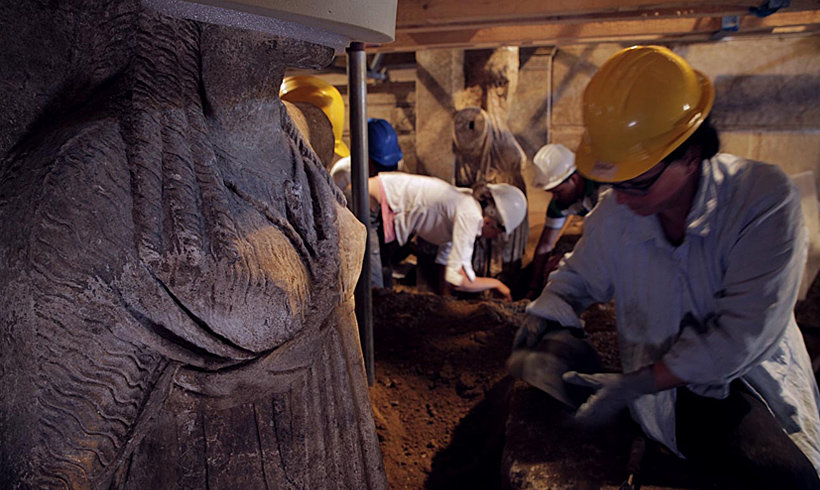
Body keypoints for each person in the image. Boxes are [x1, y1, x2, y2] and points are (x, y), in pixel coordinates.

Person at [512, 45, 820, 487]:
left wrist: (635, 384)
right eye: (613, 182)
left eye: (636, 182)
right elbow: (579, 277)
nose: (619, 198)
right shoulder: (618, 212)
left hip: (744, 380)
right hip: (660, 386)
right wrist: (548, 310)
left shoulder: (764, 203)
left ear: (690, 156)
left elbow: (737, 340)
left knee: (787, 479)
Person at [367, 171, 526, 299]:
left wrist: (445, 302)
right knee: (375, 294)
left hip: (378, 207)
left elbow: (445, 263)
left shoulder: (464, 206)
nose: (494, 237)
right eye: (498, 232)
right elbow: (455, 279)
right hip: (369, 203)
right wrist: (497, 285)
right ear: (490, 221)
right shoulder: (470, 214)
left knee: (384, 286)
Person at [526, 143, 600, 299]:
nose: (555, 197)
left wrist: (569, 258)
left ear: (574, 178)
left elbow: (606, 239)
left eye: (558, 191)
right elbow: (545, 245)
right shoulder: (560, 203)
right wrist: (534, 286)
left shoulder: (601, 190)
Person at [330, 118, 403, 191]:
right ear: (362, 157)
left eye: (389, 167)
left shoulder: (396, 164)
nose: (383, 174)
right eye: (378, 166)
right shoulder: (342, 175)